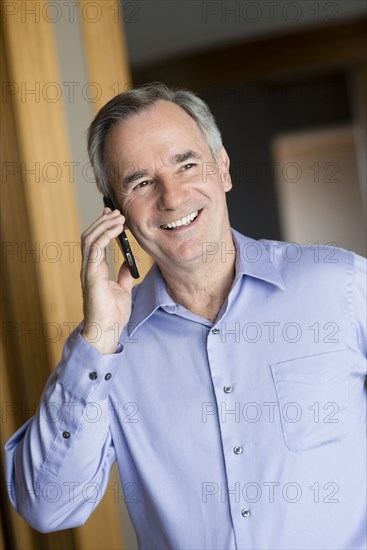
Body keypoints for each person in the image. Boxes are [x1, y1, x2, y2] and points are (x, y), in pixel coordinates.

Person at [5, 82, 367, 549]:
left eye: (187, 164)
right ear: (115, 214)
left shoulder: (339, 283)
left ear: (223, 169)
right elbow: (47, 506)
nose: (172, 198)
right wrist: (98, 339)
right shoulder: (105, 354)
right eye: (140, 182)